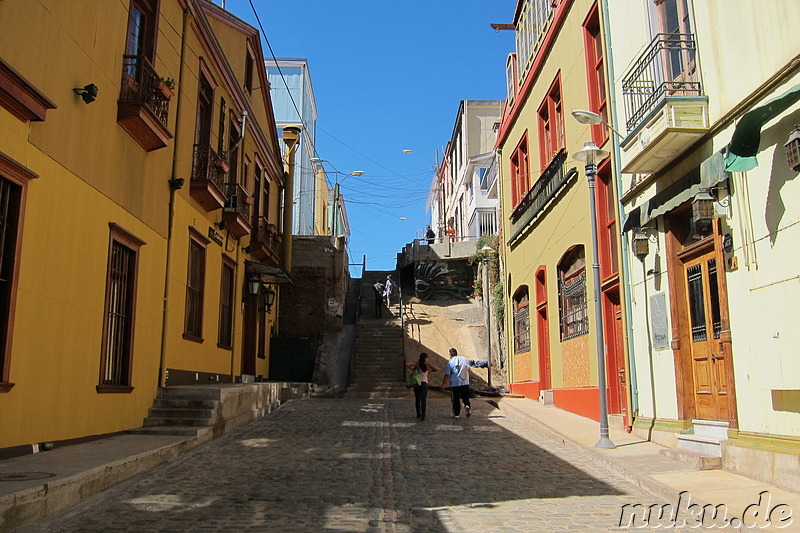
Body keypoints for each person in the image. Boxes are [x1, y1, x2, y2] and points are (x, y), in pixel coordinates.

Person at [406, 352, 440, 421]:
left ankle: (418, 414)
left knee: (417, 399)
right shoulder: (427, 366)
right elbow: (437, 369)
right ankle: (423, 415)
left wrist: (413, 369)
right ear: (425, 358)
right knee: (423, 400)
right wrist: (430, 365)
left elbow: (407, 364)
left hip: (417, 384)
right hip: (424, 384)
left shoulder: (417, 364)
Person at [441, 347, 473, 418]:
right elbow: (469, 369)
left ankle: (456, 414)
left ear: (450, 355)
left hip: (455, 383)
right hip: (465, 381)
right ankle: (467, 405)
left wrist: (444, 384)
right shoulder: (464, 359)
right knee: (465, 396)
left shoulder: (450, 363)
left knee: (456, 398)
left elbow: (447, 375)